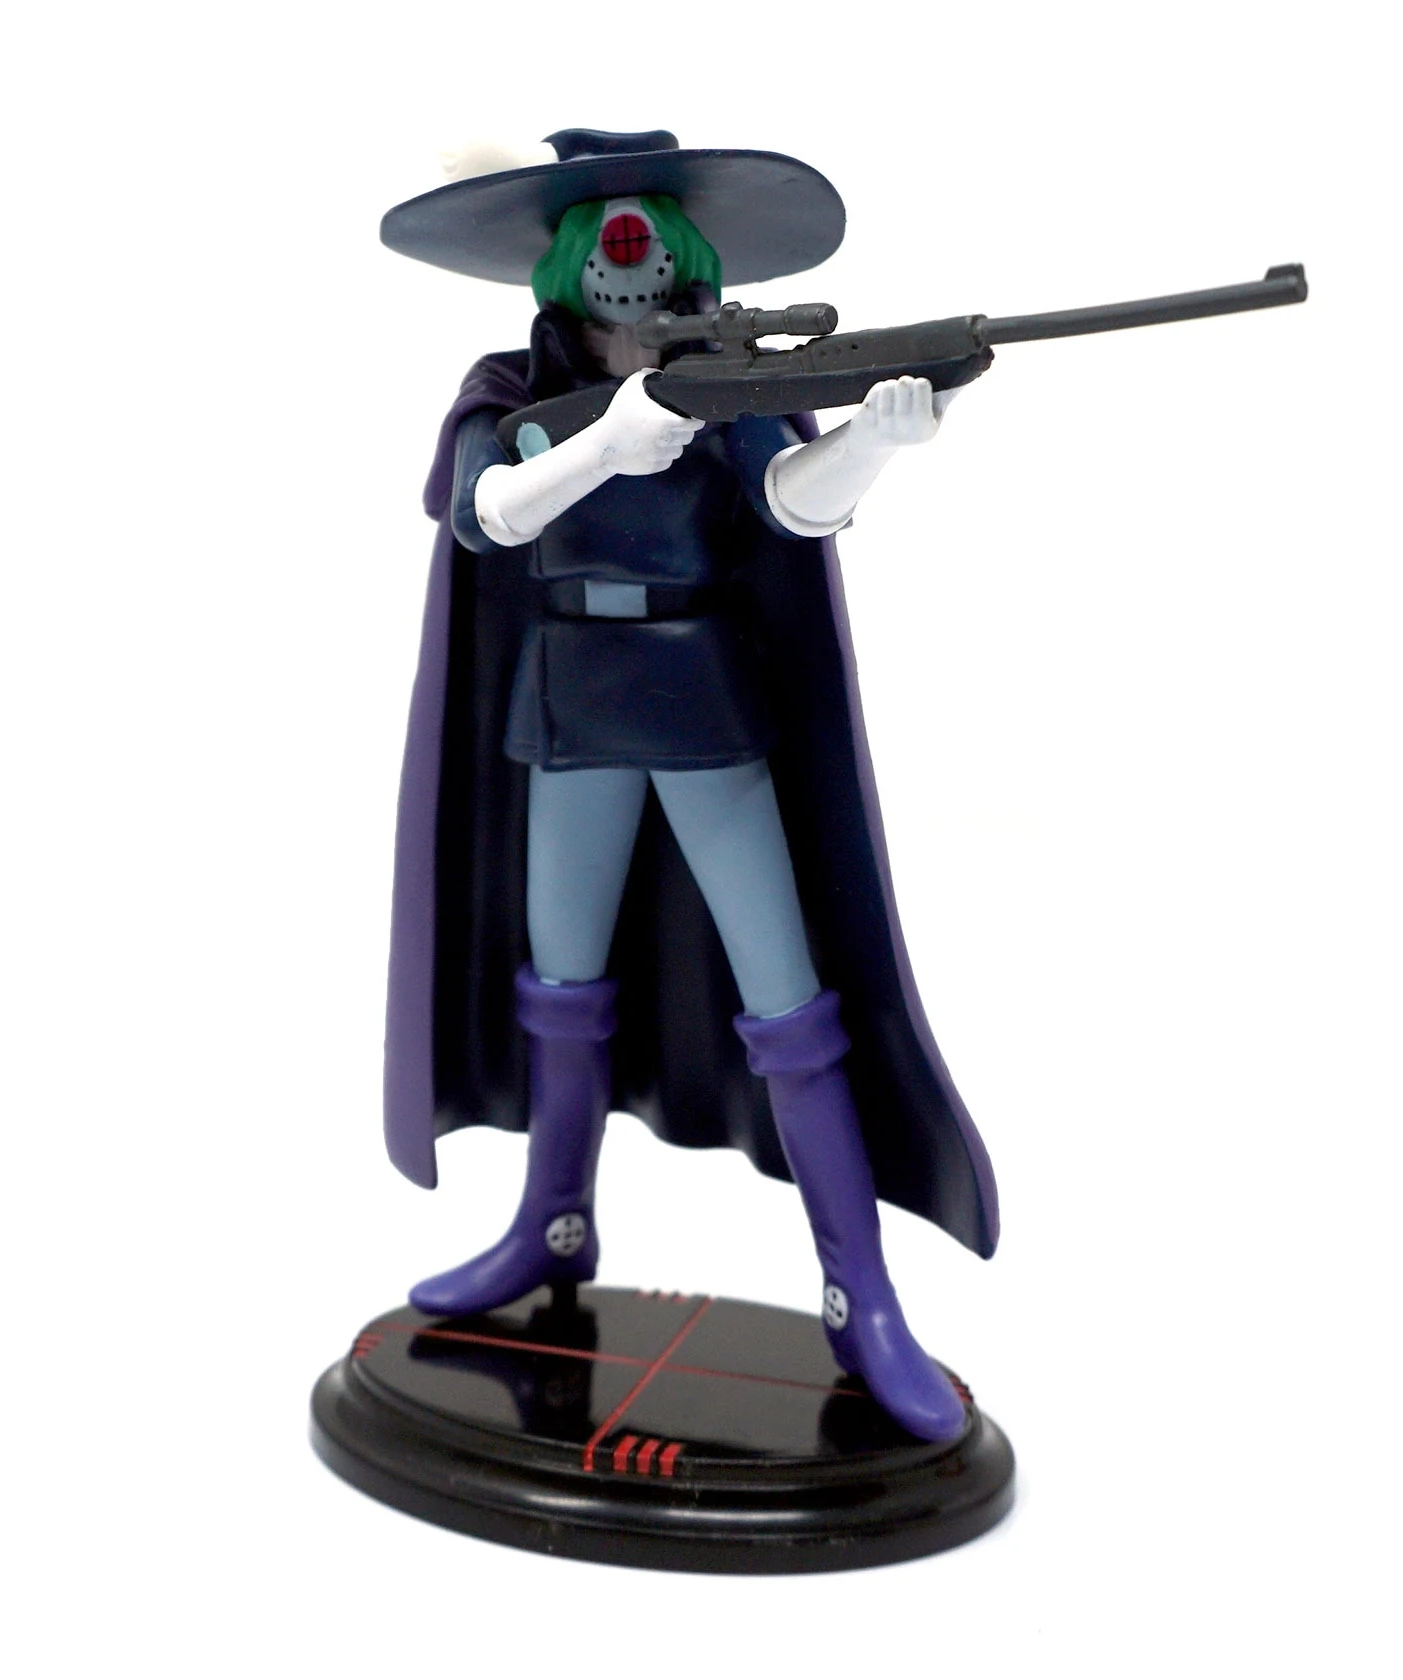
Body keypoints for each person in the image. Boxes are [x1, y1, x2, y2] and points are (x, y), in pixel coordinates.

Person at [378, 130, 999, 1442]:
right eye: (609, 246)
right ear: (568, 265)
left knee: (790, 1005)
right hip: (566, 701)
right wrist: (613, 441)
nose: (632, 267)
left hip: (701, 699)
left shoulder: (724, 377)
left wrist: (874, 442)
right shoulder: (513, 388)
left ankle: (860, 1297)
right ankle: (553, 1227)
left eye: (653, 246)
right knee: (559, 990)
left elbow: (793, 503)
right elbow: (489, 512)